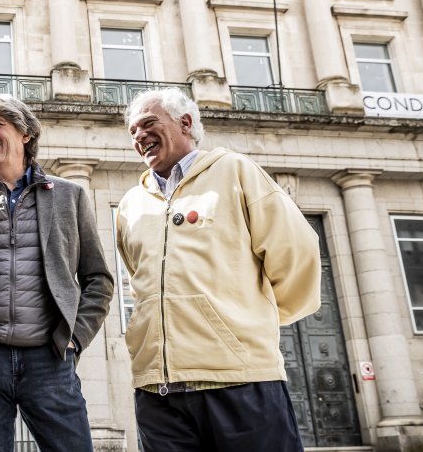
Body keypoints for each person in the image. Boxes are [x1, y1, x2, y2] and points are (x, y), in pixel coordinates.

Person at [115, 88, 322, 452]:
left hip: (240, 382)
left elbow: (296, 251)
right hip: (157, 392)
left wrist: (250, 320)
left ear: (186, 123)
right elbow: (138, 280)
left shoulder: (235, 170)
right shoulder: (131, 204)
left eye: (148, 123)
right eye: (132, 131)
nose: (139, 136)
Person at [0, 94, 114, 451]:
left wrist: (74, 339)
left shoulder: (69, 195)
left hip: (49, 360)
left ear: (25, 133)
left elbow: (98, 279)